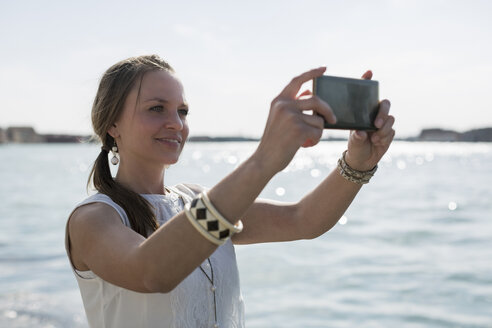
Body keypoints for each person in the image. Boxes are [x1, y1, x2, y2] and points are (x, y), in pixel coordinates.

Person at [65, 54, 395, 328]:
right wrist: (265, 158)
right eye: (156, 108)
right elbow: (151, 272)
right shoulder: (95, 219)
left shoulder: (195, 202)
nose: (177, 124)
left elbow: (302, 220)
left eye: (182, 111)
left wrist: (358, 164)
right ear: (112, 124)